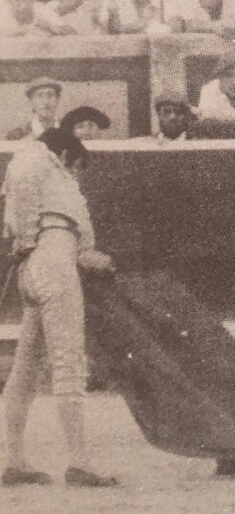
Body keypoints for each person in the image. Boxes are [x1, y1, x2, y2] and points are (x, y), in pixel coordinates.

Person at [1, 127, 118, 488]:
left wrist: (28, 244)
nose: (77, 174)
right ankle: (79, 462)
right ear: (66, 155)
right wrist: (27, 239)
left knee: (27, 366)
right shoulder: (37, 159)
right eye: (77, 166)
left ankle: (13, 460)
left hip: (39, 265)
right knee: (68, 361)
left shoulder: (40, 167)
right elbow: (23, 192)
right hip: (52, 261)